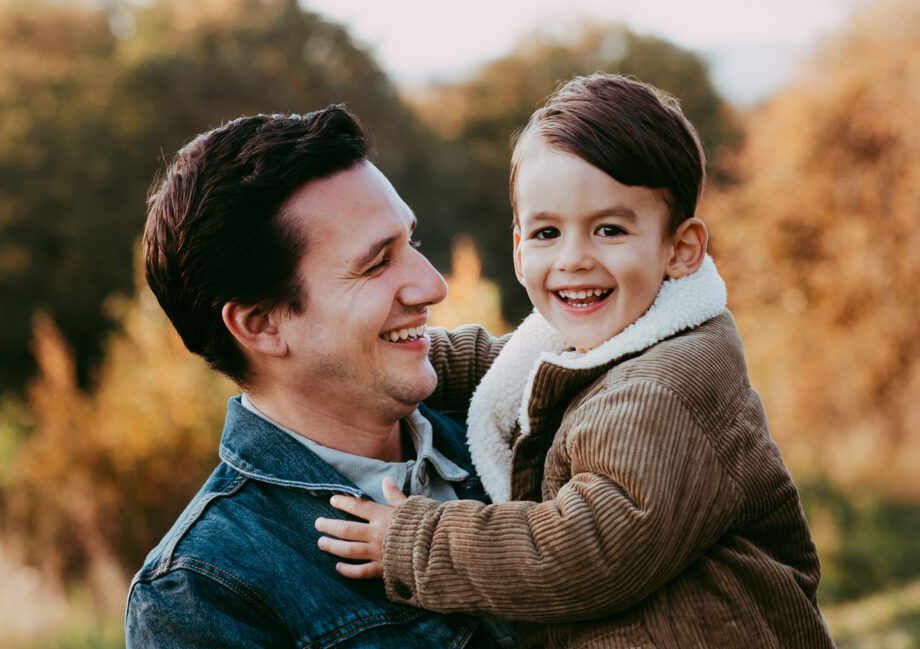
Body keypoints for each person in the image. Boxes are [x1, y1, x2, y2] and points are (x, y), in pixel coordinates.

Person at [316, 74, 836, 648]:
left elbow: (587, 551)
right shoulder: (610, 341)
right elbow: (503, 365)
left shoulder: (665, 388)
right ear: (518, 249)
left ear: (680, 249)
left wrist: (421, 543)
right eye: (546, 232)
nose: (573, 259)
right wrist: (387, 349)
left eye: (609, 230)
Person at [125, 105, 514, 648]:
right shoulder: (202, 591)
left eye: (413, 243)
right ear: (261, 325)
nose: (432, 286)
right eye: (377, 264)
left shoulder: (518, 432)